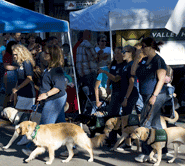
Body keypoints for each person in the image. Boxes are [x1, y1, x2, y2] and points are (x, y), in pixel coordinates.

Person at [22, 44, 68, 155]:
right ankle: (73, 147)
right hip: (52, 99)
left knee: (44, 126)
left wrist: (45, 95)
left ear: (52, 55)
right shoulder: (49, 68)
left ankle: (33, 148)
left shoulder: (57, 70)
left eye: (46, 52)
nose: (44, 53)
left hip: (54, 100)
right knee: (62, 125)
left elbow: (58, 87)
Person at [132, 37, 168, 162]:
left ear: (150, 46)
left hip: (155, 95)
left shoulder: (158, 61)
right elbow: (133, 72)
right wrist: (137, 58)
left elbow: (161, 79)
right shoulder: (144, 60)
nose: (142, 49)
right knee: (156, 124)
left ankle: (146, 153)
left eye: (143, 46)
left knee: (145, 123)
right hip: (145, 95)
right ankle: (162, 150)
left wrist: (154, 96)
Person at [11, 44, 36, 146]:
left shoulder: (26, 63)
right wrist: (15, 91)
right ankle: (25, 136)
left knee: (23, 116)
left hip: (28, 93)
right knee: (21, 116)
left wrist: (18, 88)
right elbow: (19, 79)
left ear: (21, 53)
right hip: (21, 92)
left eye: (16, 54)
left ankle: (26, 137)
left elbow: (29, 78)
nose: (14, 56)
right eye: (13, 55)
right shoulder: (19, 64)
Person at [3, 41, 18, 108]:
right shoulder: (7, 55)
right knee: (9, 94)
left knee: (15, 94)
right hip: (9, 75)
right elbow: (6, 66)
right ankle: (4, 109)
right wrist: (17, 68)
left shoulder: (16, 54)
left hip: (15, 75)